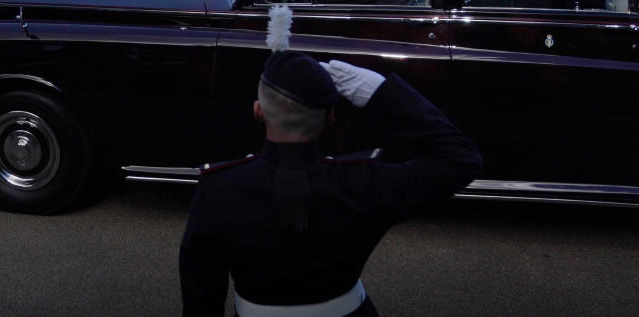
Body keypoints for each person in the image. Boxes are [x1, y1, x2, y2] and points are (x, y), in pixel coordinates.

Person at [179, 49, 481, 316]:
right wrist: (381, 92)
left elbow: (201, 297)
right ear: (331, 117)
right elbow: (460, 159)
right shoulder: (365, 183)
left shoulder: (219, 189)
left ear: (258, 111)